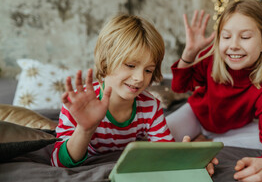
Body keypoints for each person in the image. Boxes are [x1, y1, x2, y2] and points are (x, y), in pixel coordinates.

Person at [166, 0, 262, 182]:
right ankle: (204, 139)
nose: (233, 45)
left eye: (245, 37)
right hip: (198, 116)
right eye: (226, 36)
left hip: (232, 129)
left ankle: (208, 143)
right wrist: (190, 53)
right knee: (161, 132)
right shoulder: (212, 57)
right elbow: (179, 86)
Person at [50, 14, 176, 168]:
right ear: (105, 61)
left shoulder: (151, 106)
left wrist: (186, 158)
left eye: (148, 70)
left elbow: (166, 153)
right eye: (130, 65)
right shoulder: (79, 103)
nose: (139, 78)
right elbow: (58, 162)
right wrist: (85, 129)